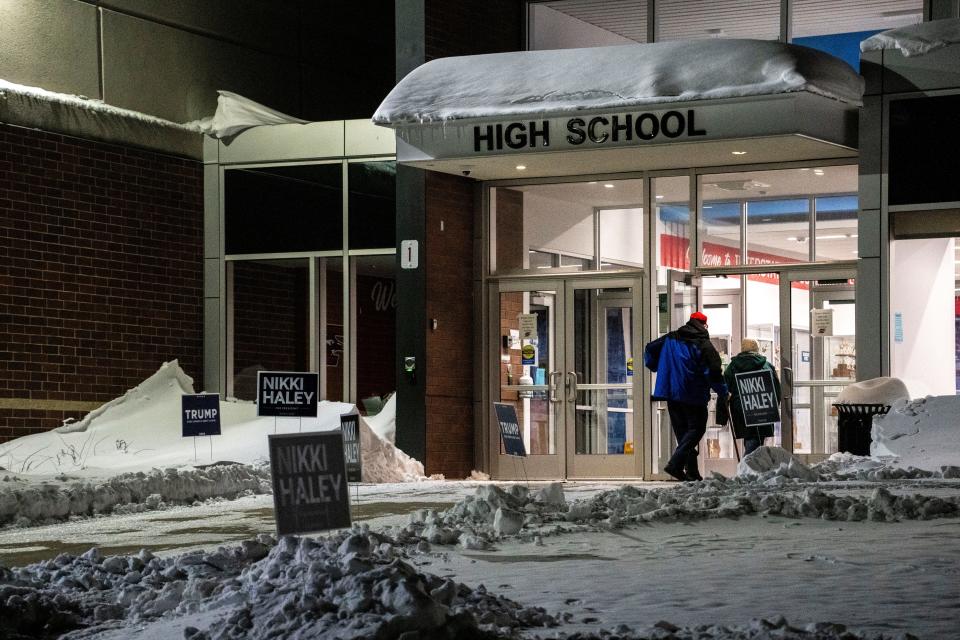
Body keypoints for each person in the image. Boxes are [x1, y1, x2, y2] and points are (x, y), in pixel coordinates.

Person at [644, 311, 728, 481]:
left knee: (684, 434)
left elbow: (650, 349)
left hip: (672, 394)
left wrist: (655, 366)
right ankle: (675, 464)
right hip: (693, 394)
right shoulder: (704, 344)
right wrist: (723, 391)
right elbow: (713, 371)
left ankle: (692, 472)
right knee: (697, 429)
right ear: (704, 325)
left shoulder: (670, 338)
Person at [721, 338, 782, 456]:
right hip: (763, 408)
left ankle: (749, 469)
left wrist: (722, 416)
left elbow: (724, 390)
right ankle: (746, 469)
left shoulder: (732, 367)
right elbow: (776, 389)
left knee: (751, 440)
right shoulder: (767, 366)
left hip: (741, 410)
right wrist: (774, 407)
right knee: (756, 442)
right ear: (757, 349)